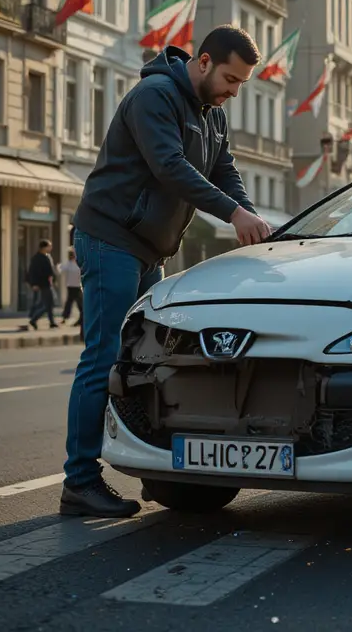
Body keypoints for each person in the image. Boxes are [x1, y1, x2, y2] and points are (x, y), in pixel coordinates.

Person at [61, 26, 273, 518]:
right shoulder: (153, 95)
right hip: (110, 237)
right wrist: (233, 216)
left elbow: (224, 171)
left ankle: (158, 469)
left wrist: (254, 220)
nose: (234, 91)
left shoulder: (213, 114)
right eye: (230, 78)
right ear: (202, 62)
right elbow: (170, 167)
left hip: (149, 249)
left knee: (146, 365)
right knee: (103, 359)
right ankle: (80, 481)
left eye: (241, 83)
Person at [25, 239, 58, 329]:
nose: (50, 248)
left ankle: (51, 322)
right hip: (43, 283)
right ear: (44, 247)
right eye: (49, 246)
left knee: (48, 303)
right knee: (47, 304)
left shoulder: (47, 256)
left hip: (47, 283)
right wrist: (34, 284)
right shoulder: (37, 258)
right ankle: (34, 319)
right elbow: (32, 272)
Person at [58, 248, 83, 327]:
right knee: (77, 304)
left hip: (73, 286)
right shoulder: (76, 264)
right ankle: (80, 319)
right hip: (76, 286)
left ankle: (67, 317)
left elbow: (60, 270)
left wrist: (58, 266)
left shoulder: (68, 264)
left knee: (71, 303)